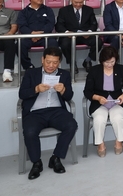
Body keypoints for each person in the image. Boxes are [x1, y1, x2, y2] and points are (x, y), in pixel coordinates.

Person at [19, 47, 78, 180]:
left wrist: (63, 90)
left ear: (59, 62)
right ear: (42, 60)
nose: (51, 66)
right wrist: (36, 89)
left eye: (55, 62)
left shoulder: (64, 74)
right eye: (48, 62)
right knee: (29, 131)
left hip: (56, 111)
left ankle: (56, 158)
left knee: (71, 125)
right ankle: (36, 163)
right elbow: (22, 94)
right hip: (35, 112)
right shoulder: (31, 73)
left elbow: (69, 97)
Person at [83, 46, 123, 157]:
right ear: (101, 61)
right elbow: (87, 91)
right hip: (99, 104)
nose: (110, 65)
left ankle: (119, 142)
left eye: (112, 62)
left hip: (116, 102)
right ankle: (100, 144)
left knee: (117, 118)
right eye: (107, 62)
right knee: (99, 119)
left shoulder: (121, 69)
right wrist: (98, 98)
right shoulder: (94, 70)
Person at [56, 0, 102, 74]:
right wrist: (67, 32)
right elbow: (59, 25)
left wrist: (89, 32)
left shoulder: (89, 10)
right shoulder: (64, 10)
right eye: (76, 2)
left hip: (85, 35)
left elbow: (94, 24)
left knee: (98, 41)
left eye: (81, 2)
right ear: (71, 0)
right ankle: (72, 63)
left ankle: (88, 60)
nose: (78, 4)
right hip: (70, 35)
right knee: (64, 44)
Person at [17, 0, 58, 70]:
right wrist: (32, 33)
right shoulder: (23, 12)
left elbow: (50, 24)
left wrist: (41, 34)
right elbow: (22, 26)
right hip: (29, 37)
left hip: (45, 36)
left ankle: (50, 66)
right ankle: (28, 67)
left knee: (53, 43)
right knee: (19, 45)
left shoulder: (48, 10)